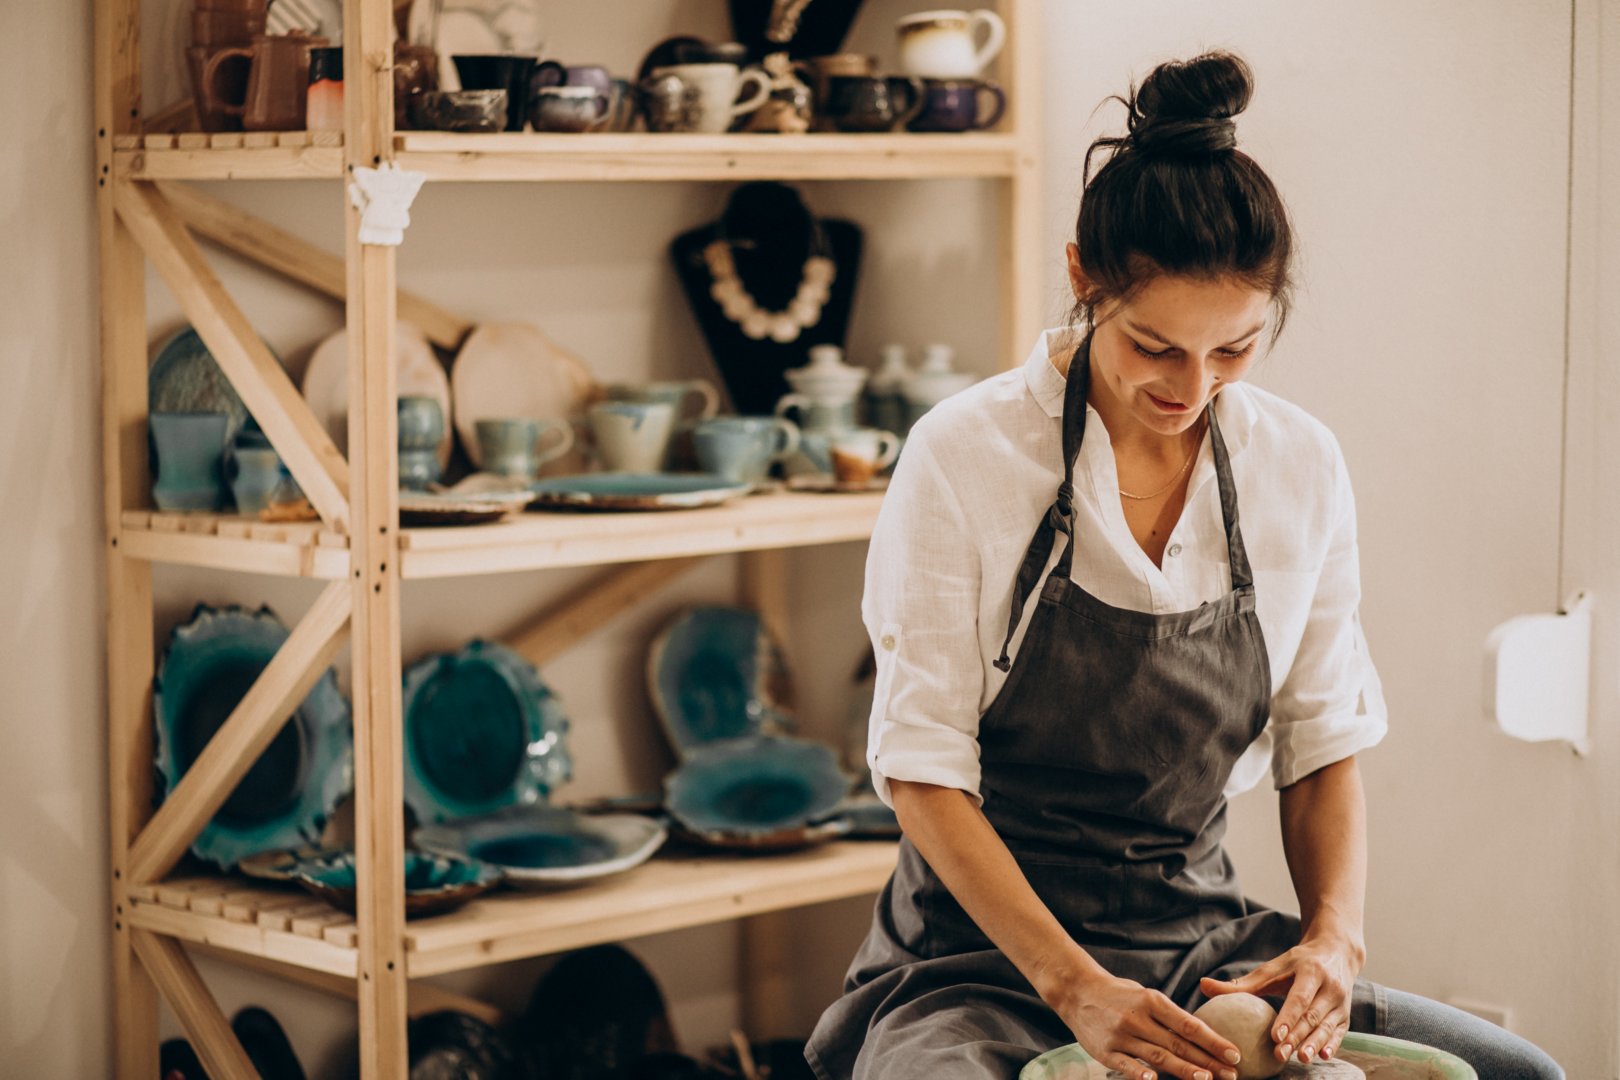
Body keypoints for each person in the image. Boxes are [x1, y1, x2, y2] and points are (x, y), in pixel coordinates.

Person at [805, 51, 1563, 1080]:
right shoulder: (965, 456)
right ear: (1085, 279)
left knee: (1523, 1074)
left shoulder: (1297, 464)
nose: (1193, 387)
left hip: (1200, 953)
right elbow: (922, 773)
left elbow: (1321, 744)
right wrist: (1075, 987)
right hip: (980, 963)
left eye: (1234, 351)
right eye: (1155, 346)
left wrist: (1334, 939)